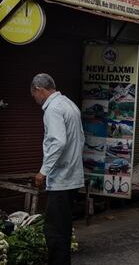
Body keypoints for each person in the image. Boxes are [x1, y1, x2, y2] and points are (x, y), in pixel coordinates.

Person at [31, 73, 84, 265]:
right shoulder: (69, 104)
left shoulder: (53, 109)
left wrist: (43, 171)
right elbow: (80, 139)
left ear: (39, 90)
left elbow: (58, 142)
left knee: (53, 231)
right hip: (73, 177)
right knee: (63, 228)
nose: (35, 99)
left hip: (61, 180)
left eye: (34, 95)